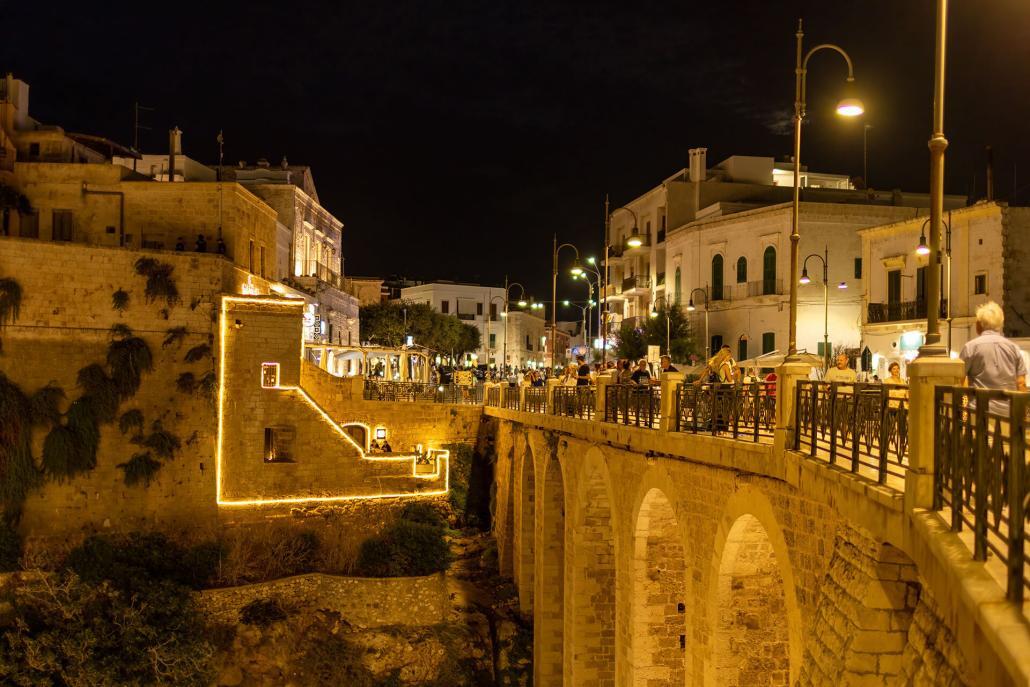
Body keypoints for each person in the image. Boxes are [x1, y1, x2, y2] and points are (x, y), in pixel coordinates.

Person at [960, 301, 1027, 413]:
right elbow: (1021, 382)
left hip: (979, 411)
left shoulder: (970, 347)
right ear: (1000, 324)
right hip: (1009, 412)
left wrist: (962, 407)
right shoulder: (1014, 348)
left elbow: (959, 378)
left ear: (979, 324)